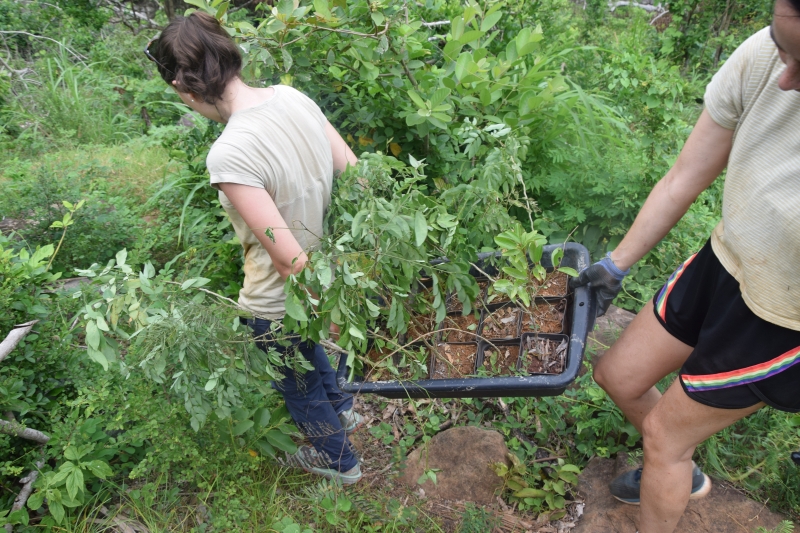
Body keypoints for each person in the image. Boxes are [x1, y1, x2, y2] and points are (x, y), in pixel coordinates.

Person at [571, 1, 800, 531]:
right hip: (725, 263)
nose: (786, 79)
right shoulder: (762, 58)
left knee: (664, 438)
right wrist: (614, 265)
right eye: (783, 49)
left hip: (782, 319)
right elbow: (682, 177)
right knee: (617, 376)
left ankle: (669, 467)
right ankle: (683, 474)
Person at [144, 11, 364, 484]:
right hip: (322, 276)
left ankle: (340, 463)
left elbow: (285, 257)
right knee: (315, 354)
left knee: (298, 383)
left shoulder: (230, 152)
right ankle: (345, 414)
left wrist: (329, 309)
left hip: (279, 297)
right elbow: (356, 173)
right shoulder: (291, 97)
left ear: (186, 89)